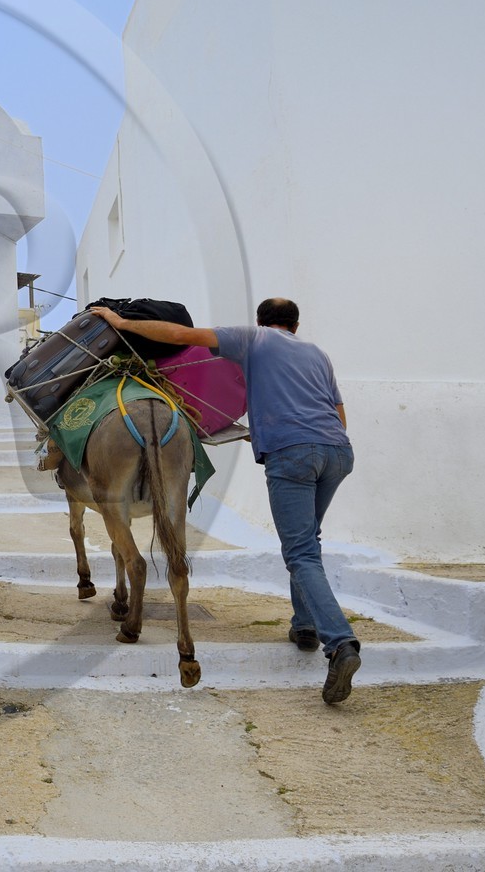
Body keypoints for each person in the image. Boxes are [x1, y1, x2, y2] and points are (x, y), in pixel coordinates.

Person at [91, 298, 360, 705]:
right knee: (309, 542)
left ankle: (340, 644)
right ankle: (304, 626)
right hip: (337, 453)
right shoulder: (317, 354)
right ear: (296, 325)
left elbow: (180, 335)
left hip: (293, 455)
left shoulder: (254, 338)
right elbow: (339, 416)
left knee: (301, 552)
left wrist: (120, 322)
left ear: (261, 321)